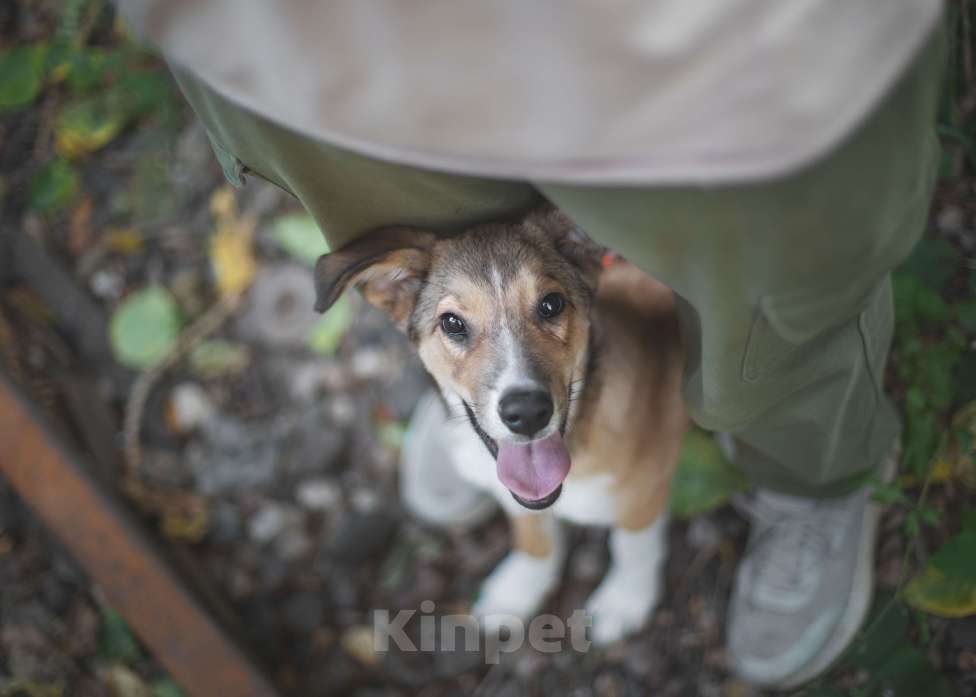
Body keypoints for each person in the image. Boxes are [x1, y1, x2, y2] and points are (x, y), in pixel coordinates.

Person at [117, 0, 946, 687]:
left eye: (549, 308)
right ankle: (498, 482)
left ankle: (811, 465)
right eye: (456, 327)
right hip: (363, 36)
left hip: (695, 43)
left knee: (757, 270)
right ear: (393, 295)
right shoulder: (406, 278)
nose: (517, 375)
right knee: (406, 174)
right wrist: (533, 558)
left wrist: (634, 573)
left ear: (584, 281)